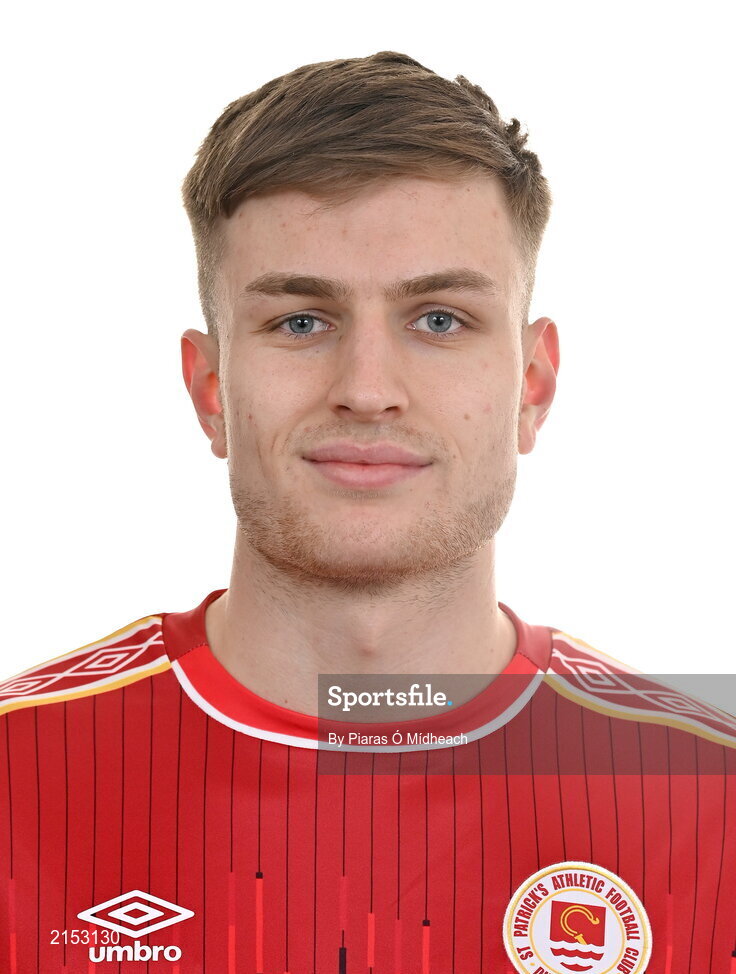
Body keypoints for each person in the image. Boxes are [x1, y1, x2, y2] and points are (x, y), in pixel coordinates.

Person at [1, 50, 734, 974]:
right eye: (301, 321)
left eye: (440, 319)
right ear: (211, 387)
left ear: (533, 386)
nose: (369, 390)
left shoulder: (715, 800)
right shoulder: (13, 781)